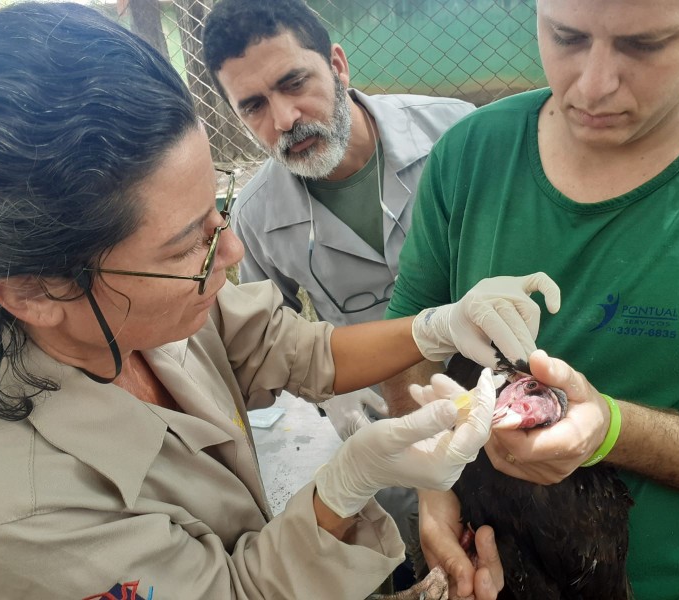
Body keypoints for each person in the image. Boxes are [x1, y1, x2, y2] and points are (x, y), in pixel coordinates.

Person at [0, 3, 561, 598]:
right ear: (34, 291)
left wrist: (437, 326)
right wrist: (345, 487)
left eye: (216, 212)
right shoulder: (20, 513)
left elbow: (295, 347)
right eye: (185, 247)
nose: (228, 251)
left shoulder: (160, 307)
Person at [384, 0, 679, 598]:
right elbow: (407, 346)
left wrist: (612, 429)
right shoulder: (468, 153)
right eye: (565, 35)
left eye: (643, 45)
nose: (592, 86)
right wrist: (432, 489)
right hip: (486, 574)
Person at [200, 0, 475, 580]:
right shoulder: (253, 215)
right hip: (379, 417)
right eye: (253, 106)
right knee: (424, 557)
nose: (284, 118)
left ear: (339, 64)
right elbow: (263, 343)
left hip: (492, 378)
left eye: (294, 82)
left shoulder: (455, 132)